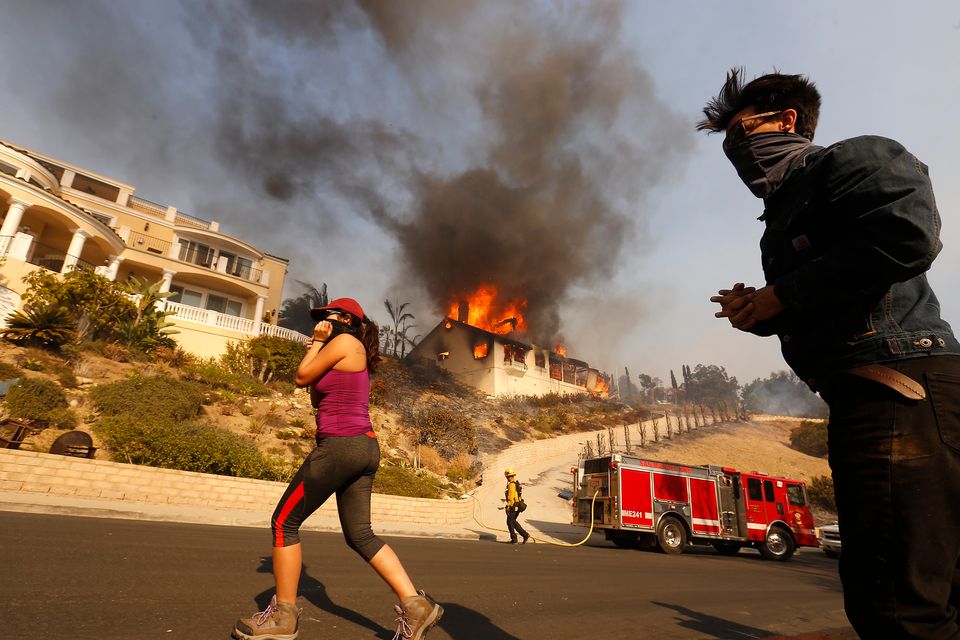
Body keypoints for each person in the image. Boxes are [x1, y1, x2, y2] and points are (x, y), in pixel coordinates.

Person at [698, 69, 960, 639]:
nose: (736, 153)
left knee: (895, 605)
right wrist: (762, 311)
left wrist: (780, 295)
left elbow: (910, 234)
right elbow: (836, 291)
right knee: (930, 590)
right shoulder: (784, 215)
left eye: (742, 133)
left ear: (787, 120)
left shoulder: (847, 161)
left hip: (897, 386)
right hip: (882, 388)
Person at [232, 298, 443, 640]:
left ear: (345, 319)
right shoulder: (345, 351)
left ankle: (284, 617)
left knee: (285, 522)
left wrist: (316, 344)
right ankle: (416, 606)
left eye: (327, 316)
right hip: (361, 447)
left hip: (341, 445)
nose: (321, 322)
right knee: (360, 535)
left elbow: (300, 377)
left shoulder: (346, 342)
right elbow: (315, 396)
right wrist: (316, 350)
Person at [502, 469, 530, 544]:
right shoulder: (516, 483)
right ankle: (523, 536)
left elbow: (511, 497)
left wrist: (508, 506)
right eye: (507, 476)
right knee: (512, 521)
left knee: (510, 522)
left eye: (508, 476)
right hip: (516, 505)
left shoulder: (511, 484)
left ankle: (516, 538)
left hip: (513, 506)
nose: (508, 478)